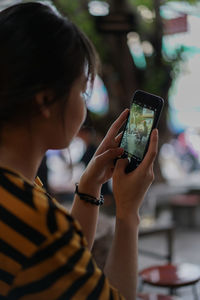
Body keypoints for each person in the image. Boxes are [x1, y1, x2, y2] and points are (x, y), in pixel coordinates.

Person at [0, 2, 158, 300]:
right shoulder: (36, 221)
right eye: (82, 92)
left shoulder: (21, 190)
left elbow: (63, 264)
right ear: (46, 100)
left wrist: (89, 185)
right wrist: (127, 215)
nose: (85, 107)